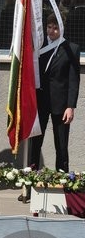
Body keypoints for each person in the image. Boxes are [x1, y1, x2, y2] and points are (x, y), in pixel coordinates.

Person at [28, 14, 79, 175]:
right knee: (35, 143)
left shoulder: (71, 49)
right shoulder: (38, 46)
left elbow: (73, 80)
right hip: (40, 102)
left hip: (61, 104)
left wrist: (71, 106)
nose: (51, 31)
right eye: (49, 27)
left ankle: (63, 180)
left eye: (55, 28)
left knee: (61, 145)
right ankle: (31, 180)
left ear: (62, 29)